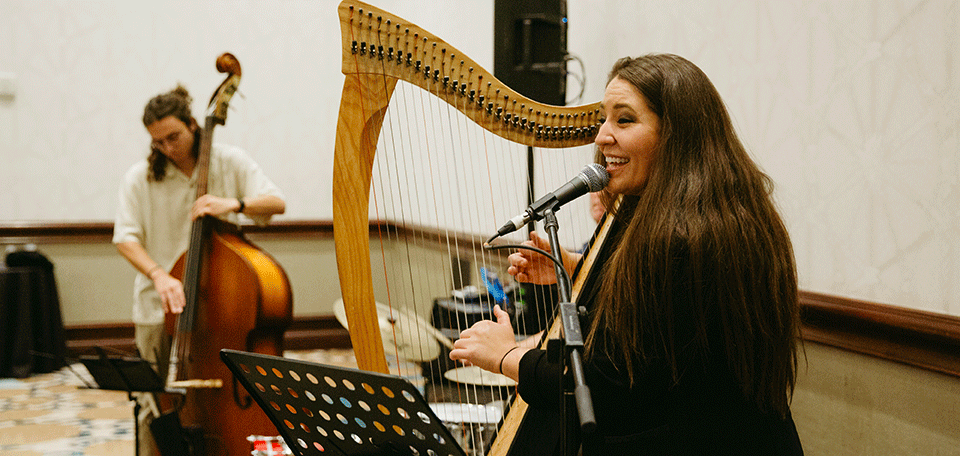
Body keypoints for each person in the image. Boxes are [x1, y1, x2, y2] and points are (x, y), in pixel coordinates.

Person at [450, 54, 803, 455]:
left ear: (676, 134)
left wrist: (507, 356)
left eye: (624, 120)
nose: (601, 136)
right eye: (603, 119)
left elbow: (604, 389)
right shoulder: (694, 209)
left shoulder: (684, 237)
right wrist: (572, 267)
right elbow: (660, 322)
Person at [113, 85, 286, 456]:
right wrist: (160, 275)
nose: (167, 148)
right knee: (155, 405)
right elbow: (125, 238)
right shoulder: (139, 177)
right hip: (157, 307)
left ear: (194, 125)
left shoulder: (230, 161)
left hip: (220, 307)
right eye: (158, 142)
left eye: (173, 136)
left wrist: (233, 203)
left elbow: (275, 202)